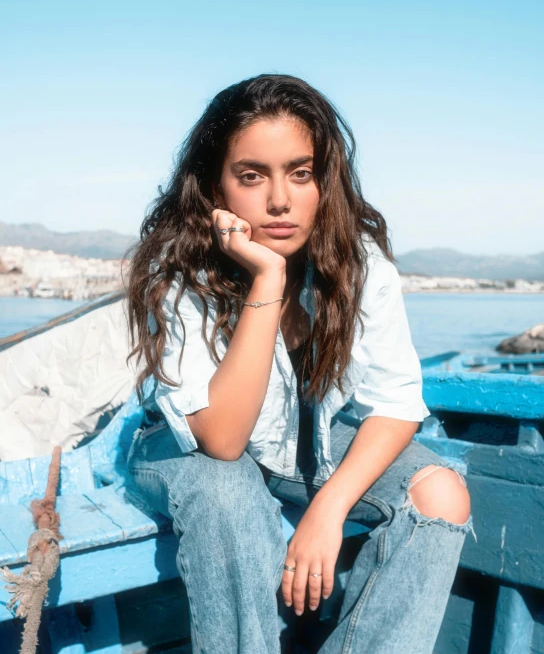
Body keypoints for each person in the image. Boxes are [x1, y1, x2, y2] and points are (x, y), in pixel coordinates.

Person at [123, 73, 477, 654]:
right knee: (225, 492)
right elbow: (223, 440)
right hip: (188, 446)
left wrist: (329, 507)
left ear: (324, 181)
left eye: (300, 173)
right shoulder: (180, 270)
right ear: (216, 186)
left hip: (297, 440)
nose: (280, 200)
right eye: (252, 175)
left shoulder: (357, 264)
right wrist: (267, 277)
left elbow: (395, 403)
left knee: (440, 495)